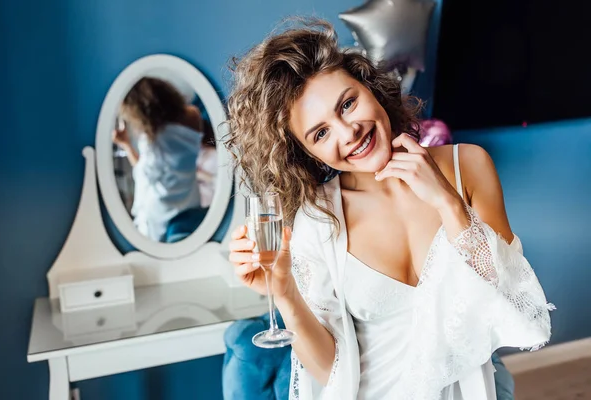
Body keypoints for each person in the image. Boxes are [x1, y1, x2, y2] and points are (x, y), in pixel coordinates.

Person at [225, 19, 553, 400]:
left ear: (370, 87)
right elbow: (327, 370)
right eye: (321, 133)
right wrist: (284, 292)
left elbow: (520, 312)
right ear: (306, 153)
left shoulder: (469, 166)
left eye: (348, 104)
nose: (348, 132)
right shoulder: (319, 218)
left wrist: (447, 202)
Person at [112, 77, 207, 242]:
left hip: (160, 209)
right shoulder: (193, 115)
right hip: (189, 201)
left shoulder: (152, 135)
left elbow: (144, 173)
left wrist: (126, 144)